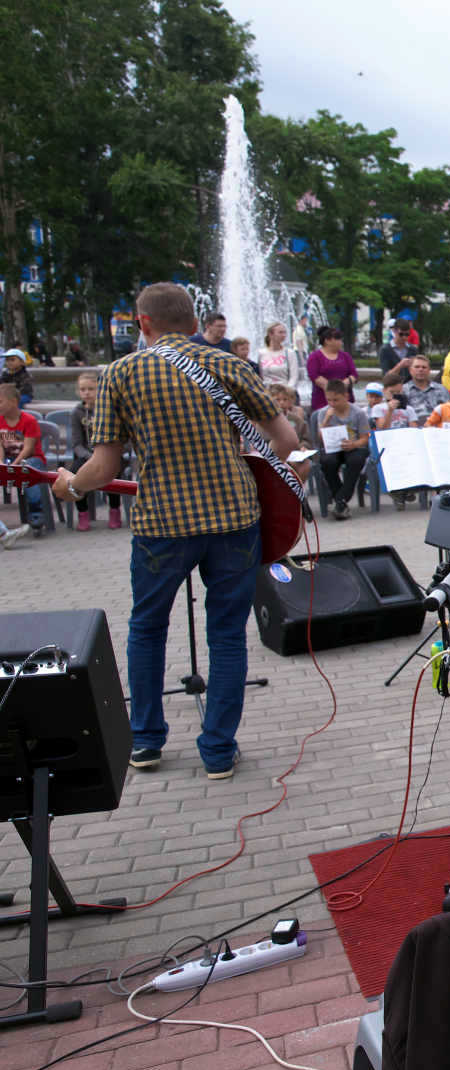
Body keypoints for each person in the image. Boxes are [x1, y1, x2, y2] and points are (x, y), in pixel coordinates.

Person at [52, 282, 302, 779]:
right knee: (227, 635)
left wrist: (70, 487)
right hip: (234, 518)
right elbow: (287, 440)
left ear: (143, 323)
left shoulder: (122, 372)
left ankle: (144, 742)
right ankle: (217, 751)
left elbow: (102, 468)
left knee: (146, 629)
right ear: (194, 322)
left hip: (162, 522)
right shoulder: (228, 364)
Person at [69, 371, 123, 531]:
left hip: (111, 453)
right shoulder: (76, 413)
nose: (86, 393)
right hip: (86, 455)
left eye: (91, 389)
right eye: (83, 389)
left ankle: (114, 510)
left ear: (100, 390)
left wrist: (108, 454)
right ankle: (83, 513)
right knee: (74, 474)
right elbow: (77, 443)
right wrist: (91, 457)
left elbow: (123, 438)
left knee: (114, 473)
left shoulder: (110, 409)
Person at [310, 381, 372, 520]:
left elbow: (364, 438)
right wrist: (326, 420)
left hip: (353, 446)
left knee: (356, 460)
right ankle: (341, 501)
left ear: (346, 396)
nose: (332, 403)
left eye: (336, 400)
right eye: (329, 400)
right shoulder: (323, 412)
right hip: (332, 447)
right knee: (327, 462)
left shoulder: (358, 413)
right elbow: (319, 439)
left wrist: (354, 444)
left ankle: (340, 499)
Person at [0, 384, 46, 531]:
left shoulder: (29, 420)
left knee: (28, 471)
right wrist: (2, 463)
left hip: (31, 459)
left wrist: (14, 465)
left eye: (0, 401)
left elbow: (28, 448)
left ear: (13, 402)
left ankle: (36, 511)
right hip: (8, 460)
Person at [305, 326, 357, 410]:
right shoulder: (314, 357)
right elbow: (314, 376)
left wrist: (343, 384)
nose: (341, 342)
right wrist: (334, 389)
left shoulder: (345, 356)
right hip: (322, 402)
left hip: (346, 400)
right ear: (327, 341)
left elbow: (354, 374)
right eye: (338, 339)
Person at [400, 355, 450, 422]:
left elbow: (449, 412)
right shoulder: (403, 390)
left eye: (424, 367)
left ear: (429, 370)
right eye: (417, 367)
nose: (420, 369)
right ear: (410, 370)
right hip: (411, 429)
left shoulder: (441, 389)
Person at [258, 323, 294, 389]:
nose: (284, 335)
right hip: (268, 392)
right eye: (280, 332)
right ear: (271, 334)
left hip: (285, 392)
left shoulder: (289, 353)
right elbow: (261, 376)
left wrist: (287, 391)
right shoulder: (261, 353)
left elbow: (294, 377)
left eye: (284, 332)